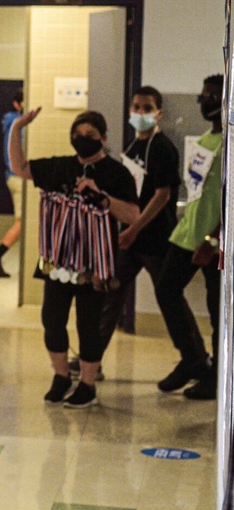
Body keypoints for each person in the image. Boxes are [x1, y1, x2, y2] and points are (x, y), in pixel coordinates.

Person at [8, 108, 139, 408]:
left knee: (88, 324)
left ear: (104, 138)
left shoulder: (116, 173)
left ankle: (89, 385)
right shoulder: (60, 167)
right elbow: (20, 167)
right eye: (77, 135)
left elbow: (133, 215)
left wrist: (103, 198)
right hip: (58, 261)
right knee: (51, 320)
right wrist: (17, 128)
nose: (82, 140)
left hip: (96, 264)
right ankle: (61, 375)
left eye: (90, 136)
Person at [91, 86, 179, 376]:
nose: (140, 113)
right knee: (110, 297)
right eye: (136, 107)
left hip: (155, 239)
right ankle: (92, 360)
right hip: (130, 240)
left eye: (146, 107)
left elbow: (162, 195)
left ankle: (193, 357)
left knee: (169, 298)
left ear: (158, 112)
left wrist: (134, 228)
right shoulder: (132, 149)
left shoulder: (163, 148)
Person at [153, 74, 225, 400]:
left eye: (214, 96)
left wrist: (213, 240)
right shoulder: (206, 140)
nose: (206, 101)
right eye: (204, 96)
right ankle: (193, 359)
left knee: (216, 309)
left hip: (215, 241)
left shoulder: (230, 145)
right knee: (167, 290)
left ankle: (216, 376)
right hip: (187, 233)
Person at [0, 90, 25, 278]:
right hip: (19, 178)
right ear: (17, 104)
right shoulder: (18, 123)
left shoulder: (11, 122)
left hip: (13, 176)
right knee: (22, 222)